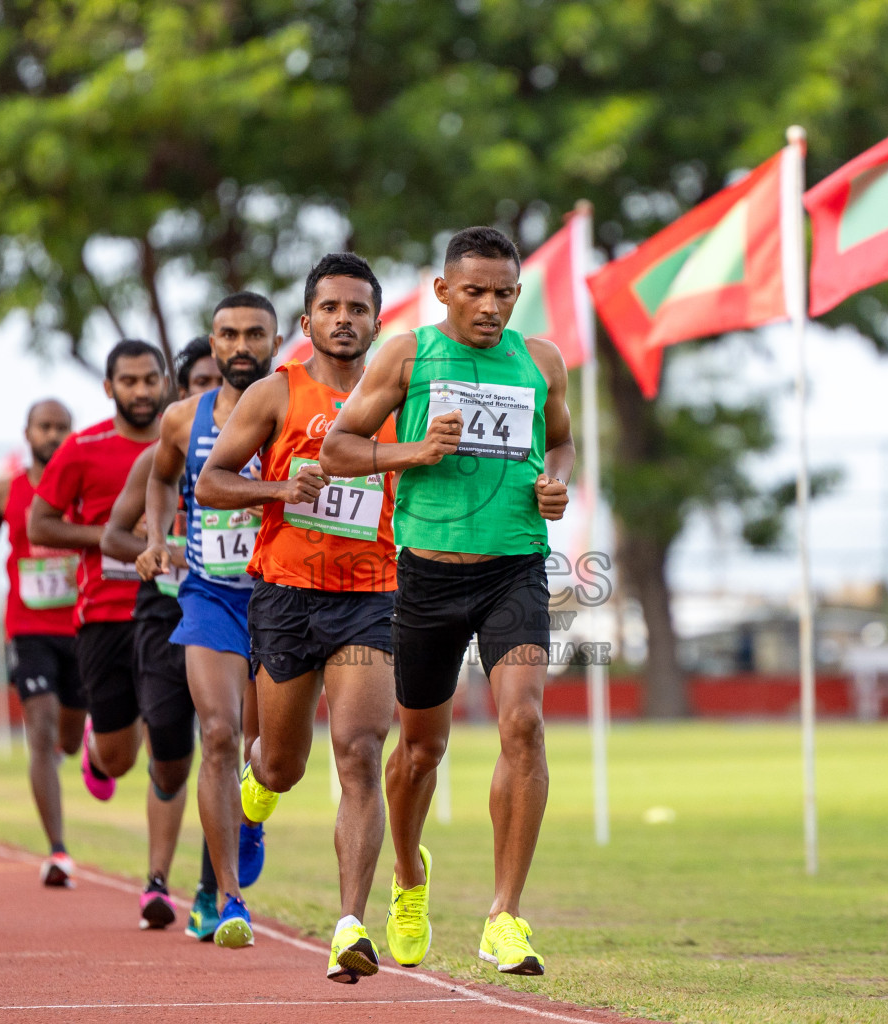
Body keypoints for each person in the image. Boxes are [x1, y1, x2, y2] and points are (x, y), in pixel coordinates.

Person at [321, 226, 573, 977]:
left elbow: (559, 442)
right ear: (442, 292)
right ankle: (407, 875)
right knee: (421, 750)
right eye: (475, 292)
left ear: (518, 296)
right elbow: (338, 447)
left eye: (503, 293)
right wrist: (414, 452)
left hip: (515, 569)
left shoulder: (543, 361)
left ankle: (505, 916)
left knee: (522, 724)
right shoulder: (407, 354)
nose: (490, 306)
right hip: (426, 576)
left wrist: (553, 481)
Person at [195, 253, 398, 983]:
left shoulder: (400, 397)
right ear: (307, 321)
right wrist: (282, 488)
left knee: (360, 751)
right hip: (286, 597)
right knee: (282, 766)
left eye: (359, 309)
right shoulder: (277, 394)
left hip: (374, 598)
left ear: (378, 322)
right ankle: (255, 788)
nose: (345, 320)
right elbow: (213, 483)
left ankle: (350, 925)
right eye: (332, 308)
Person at [136, 293, 280, 949]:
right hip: (211, 596)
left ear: (278, 340)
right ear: (212, 343)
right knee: (219, 734)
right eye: (229, 334)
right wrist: (160, 533)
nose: (242, 344)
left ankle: (253, 808)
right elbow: (163, 479)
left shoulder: (294, 410)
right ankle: (229, 898)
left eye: (255, 333)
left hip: (284, 598)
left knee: (270, 754)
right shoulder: (181, 418)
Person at [27, 338, 182, 930]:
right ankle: (98, 742)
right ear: (109, 387)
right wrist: (116, 537)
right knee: (119, 760)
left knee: (170, 747)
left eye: (150, 380)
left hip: (170, 612)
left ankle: (156, 883)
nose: (141, 391)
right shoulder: (83, 448)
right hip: (105, 616)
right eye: (129, 381)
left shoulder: (188, 440)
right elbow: (39, 523)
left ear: (164, 381)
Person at [99, 337, 233, 942]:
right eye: (201, 379)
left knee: (226, 744)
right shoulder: (167, 449)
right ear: (185, 391)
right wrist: (157, 548)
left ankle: (212, 889)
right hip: (165, 612)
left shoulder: (263, 442)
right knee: (173, 753)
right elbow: (113, 537)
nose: (213, 388)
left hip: (242, 607)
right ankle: (157, 878)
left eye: (220, 378)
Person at [0, 398, 83, 887]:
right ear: (28, 432)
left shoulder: (86, 488)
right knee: (40, 727)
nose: (53, 435)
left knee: (70, 739)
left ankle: (63, 751)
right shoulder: (3, 493)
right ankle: (58, 852)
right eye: (45, 426)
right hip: (28, 627)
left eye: (62, 427)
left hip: (84, 625)